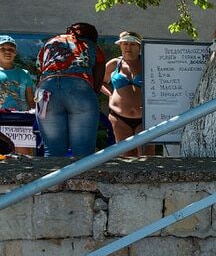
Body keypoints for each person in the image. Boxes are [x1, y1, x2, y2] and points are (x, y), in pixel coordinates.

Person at [35, 22, 105, 157]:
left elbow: (40, 69)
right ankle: (83, 178)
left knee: (52, 151)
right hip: (79, 87)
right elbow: (98, 77)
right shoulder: (92, 46)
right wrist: (91, 97)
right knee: (83, 151)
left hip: (46, 90)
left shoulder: (49, 43)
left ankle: (53, 178)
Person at [101, 31, 145, 155]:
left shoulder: (147, 64)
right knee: (126, 156)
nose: (128, 47)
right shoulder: (115, 64)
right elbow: (100, 82)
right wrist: (110, 94)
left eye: (132, 44)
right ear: (120, 45)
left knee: (147, 157)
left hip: (144, 117)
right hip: (119, 117)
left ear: (139, 47)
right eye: (125, 44)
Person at [0, 35, 34, 111]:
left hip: (20, 119)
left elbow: (31, 100)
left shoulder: (24, 73)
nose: (7, 51)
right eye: (2, 49)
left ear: (15, 52)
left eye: (11, 49)